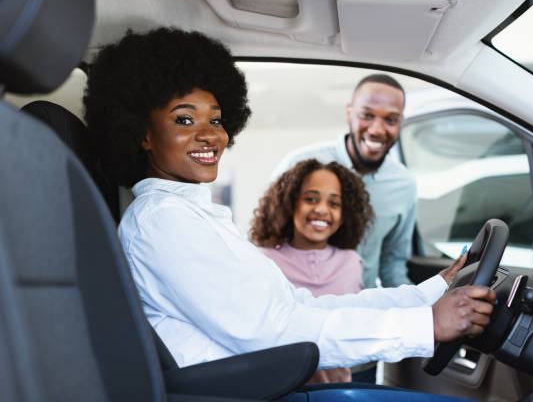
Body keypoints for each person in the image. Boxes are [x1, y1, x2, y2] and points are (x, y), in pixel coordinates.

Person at [84, 27, 496, 389]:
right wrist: (427, 325)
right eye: (185, 121)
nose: (210, 136)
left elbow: (298, 308)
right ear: (141, 133)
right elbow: (274, 331)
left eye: (216, 120)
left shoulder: (191, 213)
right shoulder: (163, 221)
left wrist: (430, 293)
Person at [271, 74, 416, 290]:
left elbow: (392, 266)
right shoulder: (299, 165)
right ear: (349, 113)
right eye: (367, 115)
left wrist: (429, 306)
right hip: (298, 305)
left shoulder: (404, 185)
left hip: (361, 311)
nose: (377, 130)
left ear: (400, 122)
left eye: (390, 119)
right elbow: (265, 238)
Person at [250, 159, 374, 383]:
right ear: (290, 204)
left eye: (334, 203)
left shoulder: (351, 263)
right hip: (277, 392)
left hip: (337, 393)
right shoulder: (263, 261)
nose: (321, 210)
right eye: (311, 199)